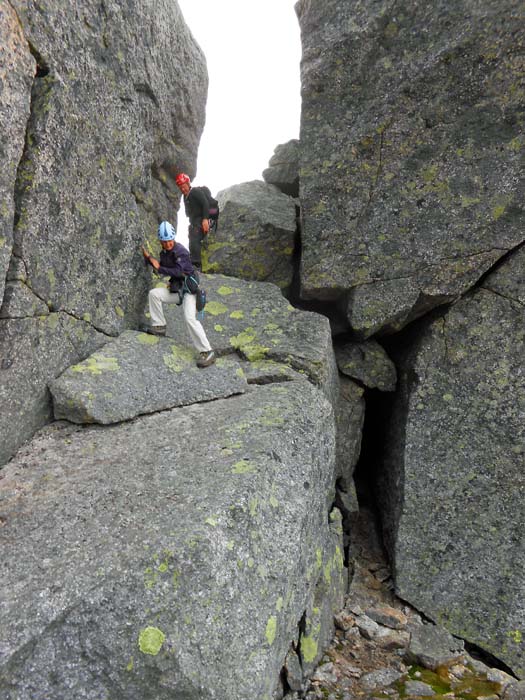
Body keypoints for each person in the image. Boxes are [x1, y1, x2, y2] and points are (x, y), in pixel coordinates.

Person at [141, 221, 216, 368]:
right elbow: (164, 267)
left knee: (190, 319)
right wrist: (149, 258)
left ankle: (207, 351)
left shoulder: (181, 251)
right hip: (178, 290)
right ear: (161, 242)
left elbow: (178, 271)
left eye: (170, 240)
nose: (168, 244)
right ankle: (159, 326)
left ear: (173, 238)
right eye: (165, 241)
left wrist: (160, 268)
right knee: (154, 294)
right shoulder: (164, 253)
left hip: (189, 291)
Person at [175, 172, 212, 269]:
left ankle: (196, 264)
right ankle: (193, 262)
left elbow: (205, 204)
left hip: (199, 220)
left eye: (184, 186)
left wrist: (205, 219)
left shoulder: (195, 191)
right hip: (193, 222)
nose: (182, 189)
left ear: (188, 184)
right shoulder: (185, 196)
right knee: (191, 241)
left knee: (195, 240)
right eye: (180, 188)